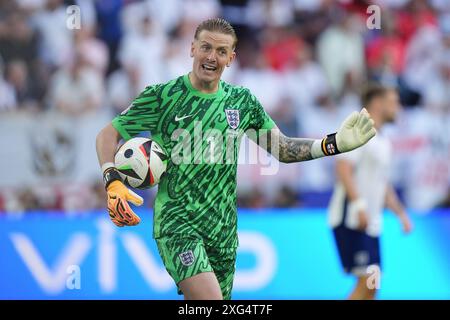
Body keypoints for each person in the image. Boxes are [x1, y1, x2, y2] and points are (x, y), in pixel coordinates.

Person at [96, 18, 376, 300]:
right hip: (178, 224)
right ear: (192, 48)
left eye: (221, 51)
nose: (211, 57)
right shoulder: (162, 96)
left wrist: (334, 143)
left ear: (231, 58)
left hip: (223, 229)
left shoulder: (242, 102)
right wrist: (112, 180)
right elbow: (108, 135)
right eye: (205, 47)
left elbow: (283, 149)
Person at [328, 84, 413, 300]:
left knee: (373, 284)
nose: (398, 108)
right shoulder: (358, 131)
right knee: (366, 280)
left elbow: (382, 183)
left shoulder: (383, 141)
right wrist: (359, 206)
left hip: (371, 223)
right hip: (352, 219)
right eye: (393, 102)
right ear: (377, 102)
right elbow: (343, 169)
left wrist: (401, 214)